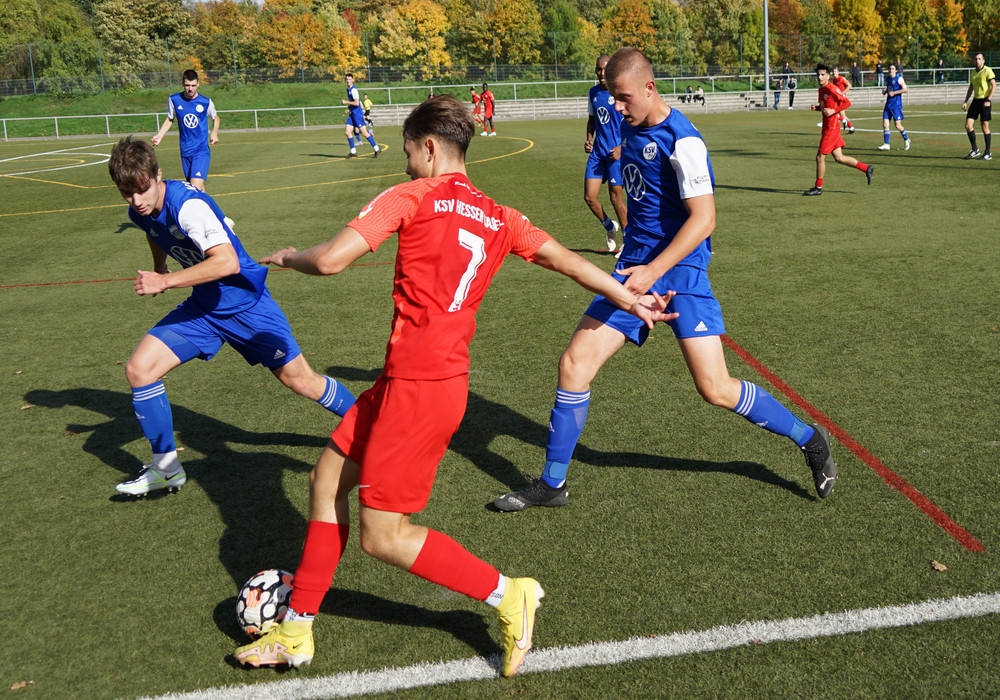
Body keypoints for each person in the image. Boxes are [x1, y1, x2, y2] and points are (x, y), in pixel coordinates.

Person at [232, 95, 674, 675]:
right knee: (326, 481)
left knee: (383, 537)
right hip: (414, 381)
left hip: (419, 388)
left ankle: (509, 594)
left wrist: (292, 257)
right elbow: (569, 262)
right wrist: (630, 298)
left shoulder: (411, 196)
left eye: (409, 153)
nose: (406, 164)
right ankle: (296, 632)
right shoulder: (500, 215)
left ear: (429, 147)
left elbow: (334, 259)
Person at [493, 48, 838, 514]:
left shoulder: (683, 140)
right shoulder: (627, 127)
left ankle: (810, 438)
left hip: (680, 273)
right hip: (634, 269)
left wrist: (654, 272)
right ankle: (553, 484)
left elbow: (704, 219)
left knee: (715, 388)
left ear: (650, 88)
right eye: (611, 97)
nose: (615, 106)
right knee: (574, 363)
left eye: (623, 97)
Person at [106, 137, 357, 497]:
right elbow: (154, 231)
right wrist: (159, 265)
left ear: (158, 175)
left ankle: (367, 424)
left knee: (303, 382)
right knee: (139, 369)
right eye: (126, 193)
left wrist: (165, 281)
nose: (136, 200)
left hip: (247, 307)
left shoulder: (188, 206)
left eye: (142, 189)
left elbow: (227, 262)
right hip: (204, 308)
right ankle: (166, 469)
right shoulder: (140, 211)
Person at [803, 64, 874, 196]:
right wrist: (817, 108)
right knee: (839, 158)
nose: (820, 77)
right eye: (818, 75)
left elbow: (847, 103)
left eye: (822, 74)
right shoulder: (821, 90)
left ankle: (818, 187)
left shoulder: (832, 88)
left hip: (832, 129)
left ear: (828, 76)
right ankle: (866, 168)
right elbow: (825, 107)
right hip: (827, 128)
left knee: (820, 157)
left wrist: (834, 111)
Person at [585, 55, 628, 254]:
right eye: (598, 69)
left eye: (605, 69)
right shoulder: (593, 92)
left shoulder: (620, 91)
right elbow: (592, 120)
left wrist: (621, 146)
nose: (602, 73)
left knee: (615, 199)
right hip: (598, 152)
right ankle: (610, 227)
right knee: (589, 197)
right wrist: (589, 139)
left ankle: (628, 240)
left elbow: (631, 122)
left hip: (615, 154)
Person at [150, 69, 219, 192]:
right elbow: (170, 119)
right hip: (185, 150)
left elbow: (216, 118)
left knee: (194, 188)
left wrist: (214, 132)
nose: (190, 89)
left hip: (201, 150)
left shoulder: (205, 102)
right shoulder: (174, 100)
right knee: (198, 189)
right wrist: (159, 135)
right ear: (183, 83)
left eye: (193, 85)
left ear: (198, 84)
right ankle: (205, 204)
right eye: (187, 85)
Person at [961, 52, 996, 160]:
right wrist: (965, 101)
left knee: (984, 126)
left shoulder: (987, 70)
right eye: (976, 59)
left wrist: (989, 99)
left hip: (985, 100)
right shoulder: (973, 72)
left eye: (979, 59)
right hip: (976, 101)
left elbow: (994, 85)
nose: (977, 61)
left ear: (983, 61)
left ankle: (988, 153)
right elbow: (971, 88)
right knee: (968, 126)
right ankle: (975, 150)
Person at [342, 73, 380, 159]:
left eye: (349, 79)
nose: (348, 80)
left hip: (357, 114)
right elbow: (354, 103)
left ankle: (377, 149)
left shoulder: (353, 90)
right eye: (347, 79)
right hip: (352, 114)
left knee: (364, 133)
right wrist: (349, 108)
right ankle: (353, 152)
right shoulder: (348, 89)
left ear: (352, 80)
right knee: (347, 132)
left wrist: (346, 102)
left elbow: (356, 103)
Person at [877, 63, 911, 151]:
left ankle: (907, 139)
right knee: (885, 125)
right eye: (889, 68)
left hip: (896, 105)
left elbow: (905, 89)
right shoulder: (887, 79)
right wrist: (885, 92)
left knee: (898, 125)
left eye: (892, 69)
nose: (890, 70)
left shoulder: (899, 79)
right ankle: (886, 144)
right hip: (888, 105)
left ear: (896, 70)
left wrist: (894, 93)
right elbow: (889, 88)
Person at [832, 67, 854, 133]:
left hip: (842, 100)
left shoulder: (841, 78)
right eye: (833, 71)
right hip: (837, 100)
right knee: (838, 114)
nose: (834, 73)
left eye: (835, 71)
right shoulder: (834, 80)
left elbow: (849, 85)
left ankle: (850, 126)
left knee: (840, 114)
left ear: (838, 72)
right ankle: (851, 128)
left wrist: (843, 92)